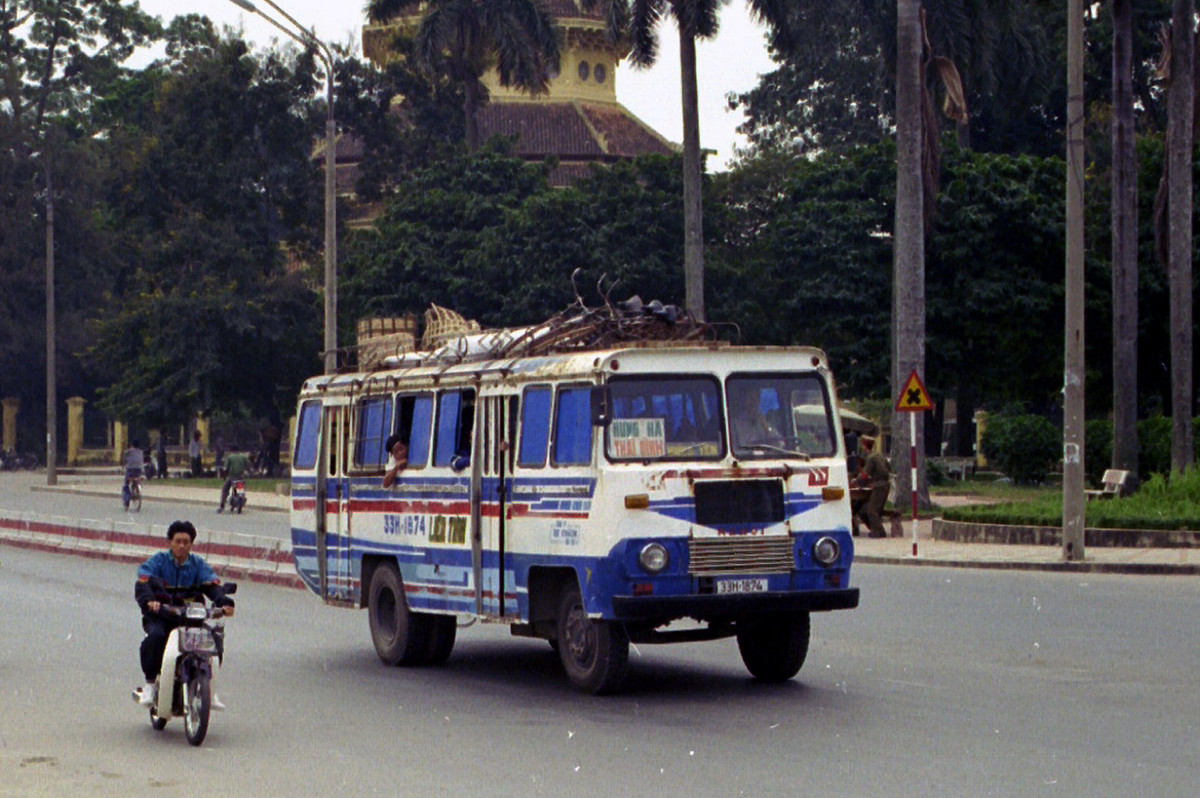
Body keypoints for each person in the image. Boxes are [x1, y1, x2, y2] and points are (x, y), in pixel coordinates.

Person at [133, 520, 234, 708]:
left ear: (191, 544)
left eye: (186, 542)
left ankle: (209, 691)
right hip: (161, 616)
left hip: (190, 618)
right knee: (155, 637)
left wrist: (225, 603)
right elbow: (143, 582)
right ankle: (149, 685)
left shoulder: (198, 565)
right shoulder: (158, 562)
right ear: (170, 542)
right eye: (178, 541)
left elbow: (212, 586)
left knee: (214, 640)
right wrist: (150, 601)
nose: (182, 545)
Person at [856, 435, 892, 538]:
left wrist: (857, 480)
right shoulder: (880, 455)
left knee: (872, 510)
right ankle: (873, 528)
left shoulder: (871, 458)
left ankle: (879, 531)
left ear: (864, 446)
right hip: (884, 484)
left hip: (879, 486)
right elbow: (888, 468)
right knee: (863, 510)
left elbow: (865, 475)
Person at [122, 438, 146, 510]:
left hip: (130, 470)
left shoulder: (129, 451)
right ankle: (137, 490)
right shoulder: (141, 452)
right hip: (139, 470)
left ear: (132, 445)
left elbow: (123, 458)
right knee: (137, 480)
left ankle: (126, 501)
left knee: (126, 485)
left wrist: (123, 464)